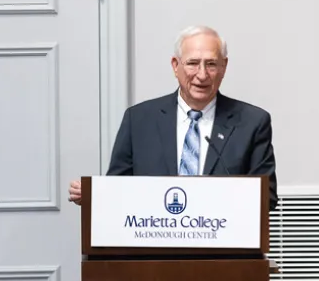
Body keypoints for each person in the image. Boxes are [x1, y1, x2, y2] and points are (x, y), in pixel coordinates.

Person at [69, 25, 278, 210]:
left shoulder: (252, 122)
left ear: (224, 67)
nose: (202, 74)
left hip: (221, 248)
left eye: (211, 64)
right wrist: (93, 196)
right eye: (193, 63)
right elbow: (118, 187)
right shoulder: (139, 120)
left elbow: (266, 198)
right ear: (175, 66)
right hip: (153, 244)